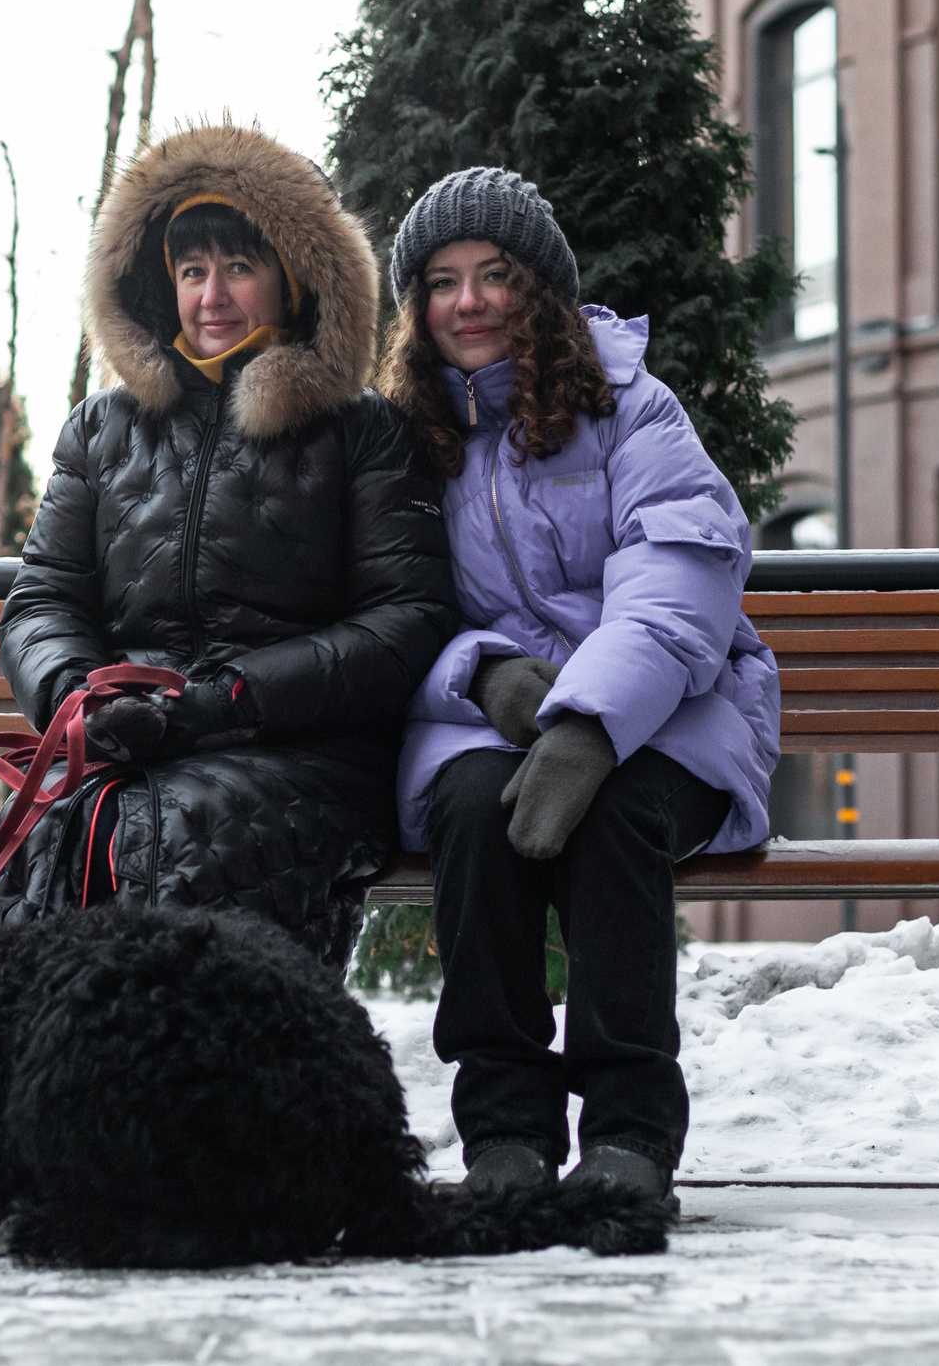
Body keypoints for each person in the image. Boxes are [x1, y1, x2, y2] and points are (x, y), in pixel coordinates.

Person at [380, 166, 779, 1205]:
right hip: (483, 721)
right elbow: (387, 609)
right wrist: (482, 674)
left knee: (613, 813)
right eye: (441, 281)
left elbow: (680, 571)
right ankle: (505, 1134)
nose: (468, 301)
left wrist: (590, 722)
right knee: (469, 808)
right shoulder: (399, 437)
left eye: (494, 274)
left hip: (671, 718)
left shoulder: (633, 408)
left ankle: (629, 1136)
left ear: (540, 288)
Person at [0, 123, 459, 969]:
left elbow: (406, 619)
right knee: (63, 832)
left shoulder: (362, 431)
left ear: (294, 278)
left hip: (299, 751)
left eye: (239, 267)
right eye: (191, 270)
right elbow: (43, 600)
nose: (212, 296)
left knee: (185, 838)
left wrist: (229, 700)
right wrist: (77, 698)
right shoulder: (102, 428)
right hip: (121, 743)